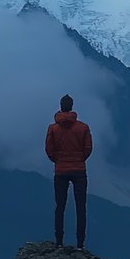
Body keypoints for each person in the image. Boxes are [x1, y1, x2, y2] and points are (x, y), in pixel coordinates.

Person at [45, 94, 93, 250]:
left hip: (60, 171)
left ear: (60, 106)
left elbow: (49, 150)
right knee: (81, 208)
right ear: (72, 106)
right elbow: (88, 149)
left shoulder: (53, 128)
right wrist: (79, 160)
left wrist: (58, 161)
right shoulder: (83, 128)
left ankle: (59, 242)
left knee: (60, 207)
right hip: (79, 171)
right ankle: (80, 244)